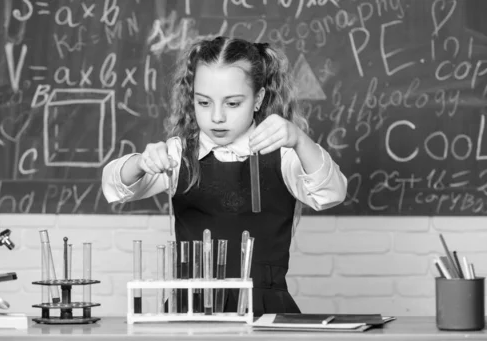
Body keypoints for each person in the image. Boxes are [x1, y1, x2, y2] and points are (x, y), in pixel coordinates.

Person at [102, 36, 347, 316]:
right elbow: (113, 185)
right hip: (189, 310)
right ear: (191, 97)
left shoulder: (284, 154)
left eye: (232, 104)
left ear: (258, 99)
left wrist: (301, 140)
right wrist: (141, 162)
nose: (217, 117)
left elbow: (331, 194)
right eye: (204, 103)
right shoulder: (178, 154)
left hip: (264, 311)